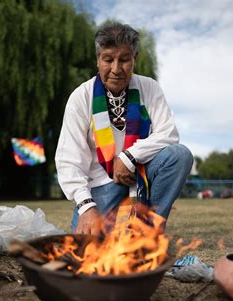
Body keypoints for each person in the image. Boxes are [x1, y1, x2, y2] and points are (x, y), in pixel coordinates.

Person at [55, 22, 193, 235]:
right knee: (90, 249)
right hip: (100, 186)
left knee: (179, 155)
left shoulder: (149, 87)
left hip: (141, 180)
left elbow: (168, 133)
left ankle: (148, 234)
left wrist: (129, 158)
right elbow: (68, 160)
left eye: (125, 60)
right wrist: (86, 207)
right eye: (108, 59)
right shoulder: (81, 97)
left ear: (135, 59)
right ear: (98, 60)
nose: (116, 69)